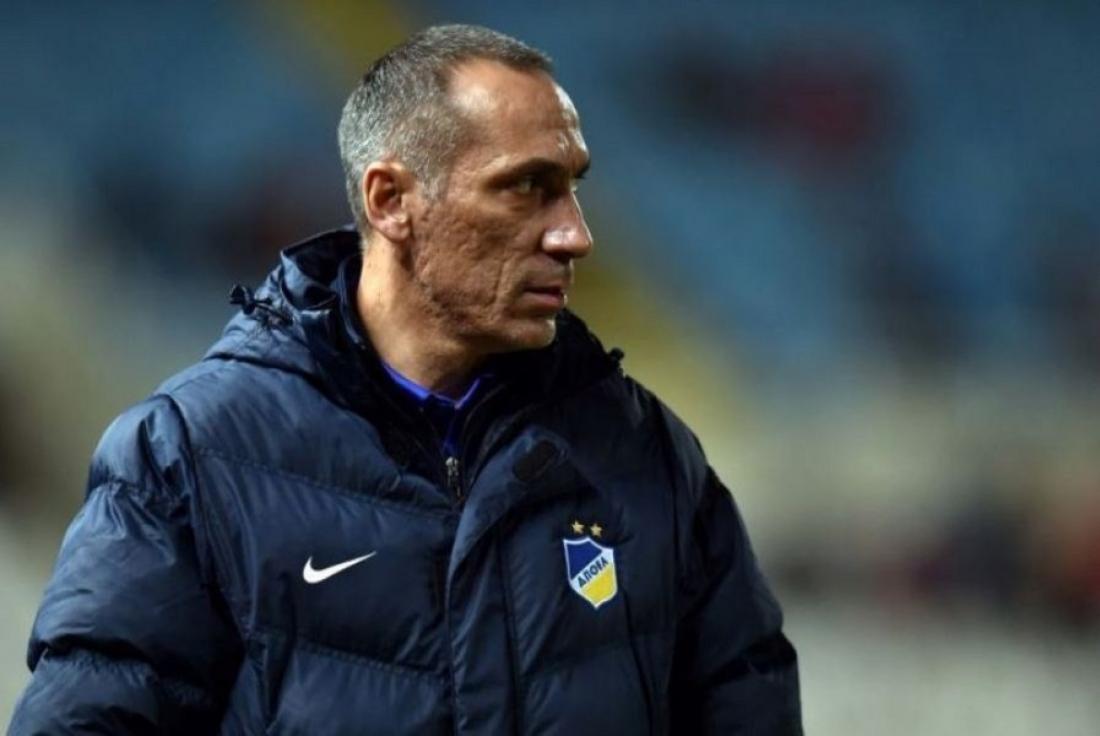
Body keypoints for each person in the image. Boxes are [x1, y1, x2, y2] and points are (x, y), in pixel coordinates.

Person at [9, 24, 801, 735]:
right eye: (527, 187)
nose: (575, 235)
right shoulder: (192, 456)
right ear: (391, 201)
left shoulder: (649, 455)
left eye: (573, 187)